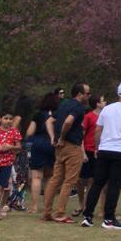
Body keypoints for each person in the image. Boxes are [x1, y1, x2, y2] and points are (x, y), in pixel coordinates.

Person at [82, 81, 121, 230]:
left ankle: (88, 216)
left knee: (97, 183)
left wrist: (97, 147)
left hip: (104, 149)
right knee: (114, 185)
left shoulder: (107, 109)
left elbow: (97, 130)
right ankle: (108, 218)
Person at [43, 83, 90, 223]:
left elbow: (49, 121)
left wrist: (53, 138)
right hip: (72, 146)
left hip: (59, 147)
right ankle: (60, 213)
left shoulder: (64, 104)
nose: (89, 96)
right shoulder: (79, 108)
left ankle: (47, 212)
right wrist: (62, 137)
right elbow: (69, 121)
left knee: (55, 179)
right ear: (80, 94)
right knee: (69, 181)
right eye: (87, 93)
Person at [26, 92, 59, 214]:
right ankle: (47, 205)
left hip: (38, 143)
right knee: (50, 177)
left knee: (36, 177)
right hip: (52, 144)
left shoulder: (38, 115)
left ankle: (34, 206)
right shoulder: (58, 114)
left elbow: (30, 132)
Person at [77, 94, 106, 215]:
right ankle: (81, 204)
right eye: (103, 100)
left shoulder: (106, 117)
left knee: (93, 180)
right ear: (98, 103)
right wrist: (82, 152)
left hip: (100, 151)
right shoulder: (88, 117)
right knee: (81, 180)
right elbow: (81, 136)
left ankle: (89, 206)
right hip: (88, 150)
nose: (105, 103)